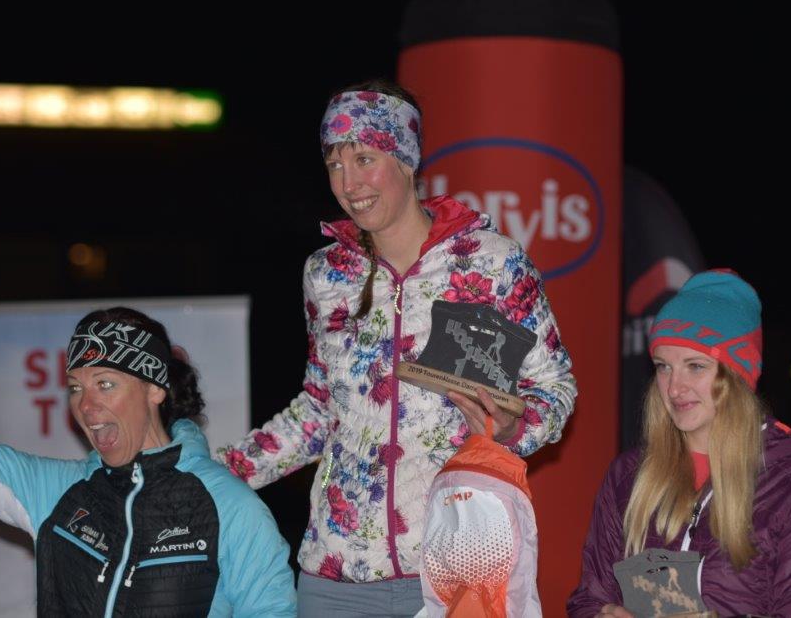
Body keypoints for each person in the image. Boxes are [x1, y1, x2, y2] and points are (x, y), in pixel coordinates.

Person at [218, 80, 578, 616]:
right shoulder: (326, 273)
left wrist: (512, 428)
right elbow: (319, 410)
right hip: (337, 577)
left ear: (407, 160)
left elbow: (554, 387)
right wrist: (220, 471)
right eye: (335, 164)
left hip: (453, 567)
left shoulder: (491, 262)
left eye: (364, 159)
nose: (349, 183)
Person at [0, 236, 296, 616]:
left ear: (155, 389)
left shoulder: (230, 507)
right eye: (76, 387)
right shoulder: (59, 492)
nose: (85, 405)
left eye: (105, 384)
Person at [567, 269, 791, 617]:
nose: (674, 388)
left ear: (736, 375)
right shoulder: (628, 475)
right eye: (663, 367)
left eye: (695, 366)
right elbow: (589, 599)